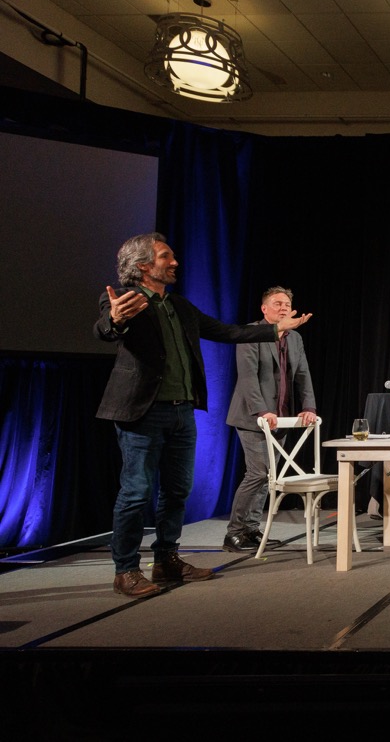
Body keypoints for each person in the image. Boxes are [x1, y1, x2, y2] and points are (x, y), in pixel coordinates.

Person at [96, 233, 312, 598]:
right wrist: (114, 319)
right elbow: (105, 327)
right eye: (167, 257)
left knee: (177, 490)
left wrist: (277, 328)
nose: (175, 262)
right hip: (142, 413)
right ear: (144, 266)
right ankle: (126, 570)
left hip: (182, 412)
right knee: (136, 491)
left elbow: (228, 332)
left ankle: (166, 558)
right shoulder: (123, 299)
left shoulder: (180, 306)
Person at [222, 286, 318, 552]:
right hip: (253, 417)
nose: (284, 307)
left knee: (269, 476)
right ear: (264, 309)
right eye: (277, 303)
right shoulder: (251, 333)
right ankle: (234, 532)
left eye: (287, 303)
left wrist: (308, 406)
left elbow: (303, 374)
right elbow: (248, 376)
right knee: (258, 473)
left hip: (281, 417)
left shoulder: (295, 339)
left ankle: (251, 530)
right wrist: (262, 410)